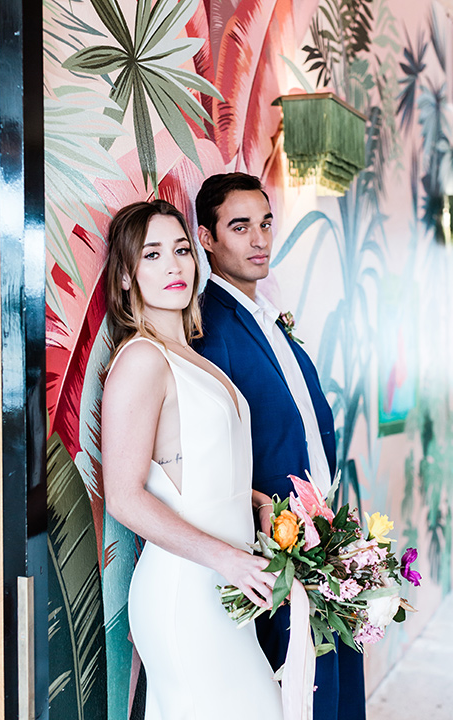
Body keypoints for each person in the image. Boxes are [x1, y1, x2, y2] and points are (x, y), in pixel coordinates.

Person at [101, 199, 283, 720]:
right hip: (187, 591)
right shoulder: (141, 358)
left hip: (226, 587)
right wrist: (227, 558)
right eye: (152, 254)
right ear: (127, 278)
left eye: (181, 249)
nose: (175, 265)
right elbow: (125, 496)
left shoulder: (191, 357)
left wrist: (255, 503)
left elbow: (189, 472)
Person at [193, 173, 366, 720]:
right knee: (300, 691)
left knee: (334, 681)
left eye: (265, 223)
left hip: (320, 529)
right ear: (207, 238)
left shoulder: (267, 315)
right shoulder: (210, 326)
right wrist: (266, 518)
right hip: (276, 544)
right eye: (239, 227)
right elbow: (208, 448)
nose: (259, 239)